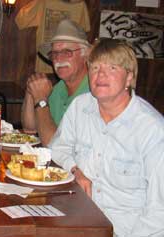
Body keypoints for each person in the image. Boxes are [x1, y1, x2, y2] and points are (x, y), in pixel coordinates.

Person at [50, 38, 164, 236]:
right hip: (76, 222)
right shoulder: (80, 107)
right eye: (95, 67)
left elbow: (159, 212)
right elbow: (57, 149)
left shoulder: (151, 129)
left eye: (112, 68)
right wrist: (75, 170)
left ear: (129, 78)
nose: (101, 74)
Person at [21, 19, 91, 146]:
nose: (59, 58)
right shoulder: (58, 88)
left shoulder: (95, 91)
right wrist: (32, 91)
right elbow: (30, 128)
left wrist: (41, 99)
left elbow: (56, 145)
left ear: (85, 55)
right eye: (54, 53)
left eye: (67, 52)